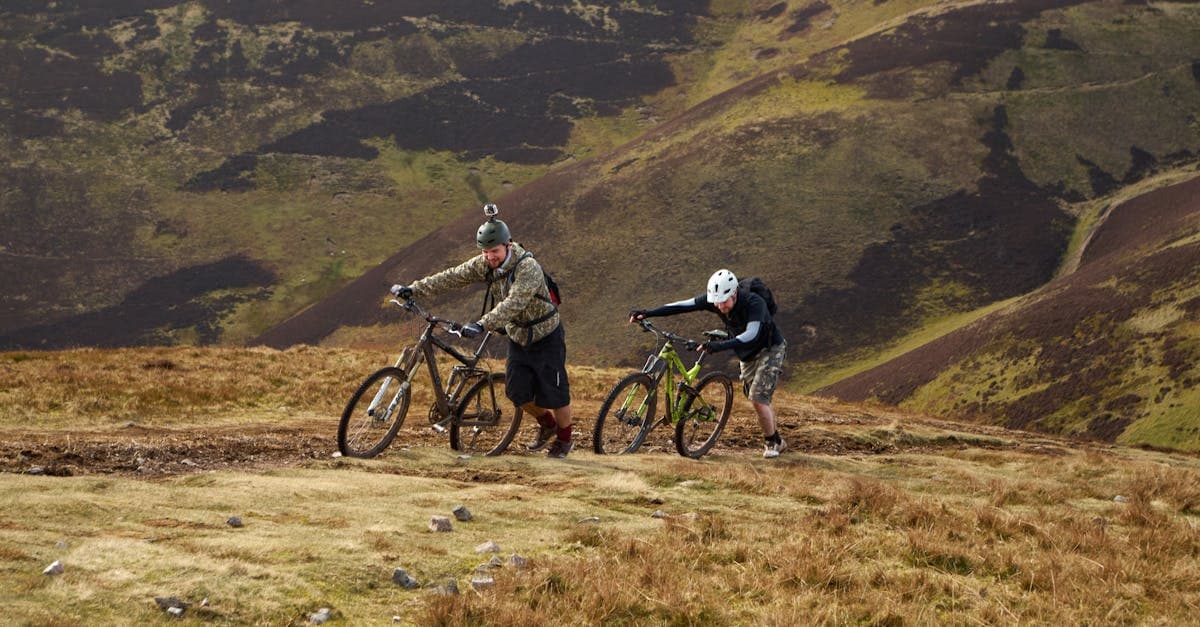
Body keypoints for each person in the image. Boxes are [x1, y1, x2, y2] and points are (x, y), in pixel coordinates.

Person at [390, 205, 574, 458]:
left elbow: (514, 303)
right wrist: (414, 289)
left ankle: (564, 440)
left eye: (494, 251)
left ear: (508, 244)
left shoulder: (527, 267)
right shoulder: (485, 263)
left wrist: (482, 323)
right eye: (485, 252)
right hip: (518, 337)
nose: (490, 257)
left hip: (546, 336)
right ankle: (548, 425)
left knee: (555, 394)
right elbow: (453, 276)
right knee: (516, 393)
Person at [630, 269, 788, 458]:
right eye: (716, 302)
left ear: (734, 293)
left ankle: (773, 443)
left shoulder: (754, 303)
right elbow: (682, 305)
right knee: (754, 396)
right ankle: (777, 436)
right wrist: (647, 313)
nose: (720, 306)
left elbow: (751, 334)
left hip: (769, 349)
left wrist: (719, 346)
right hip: (746, 354)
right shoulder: (715, 299)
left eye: (724, 302)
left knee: (758, 398)